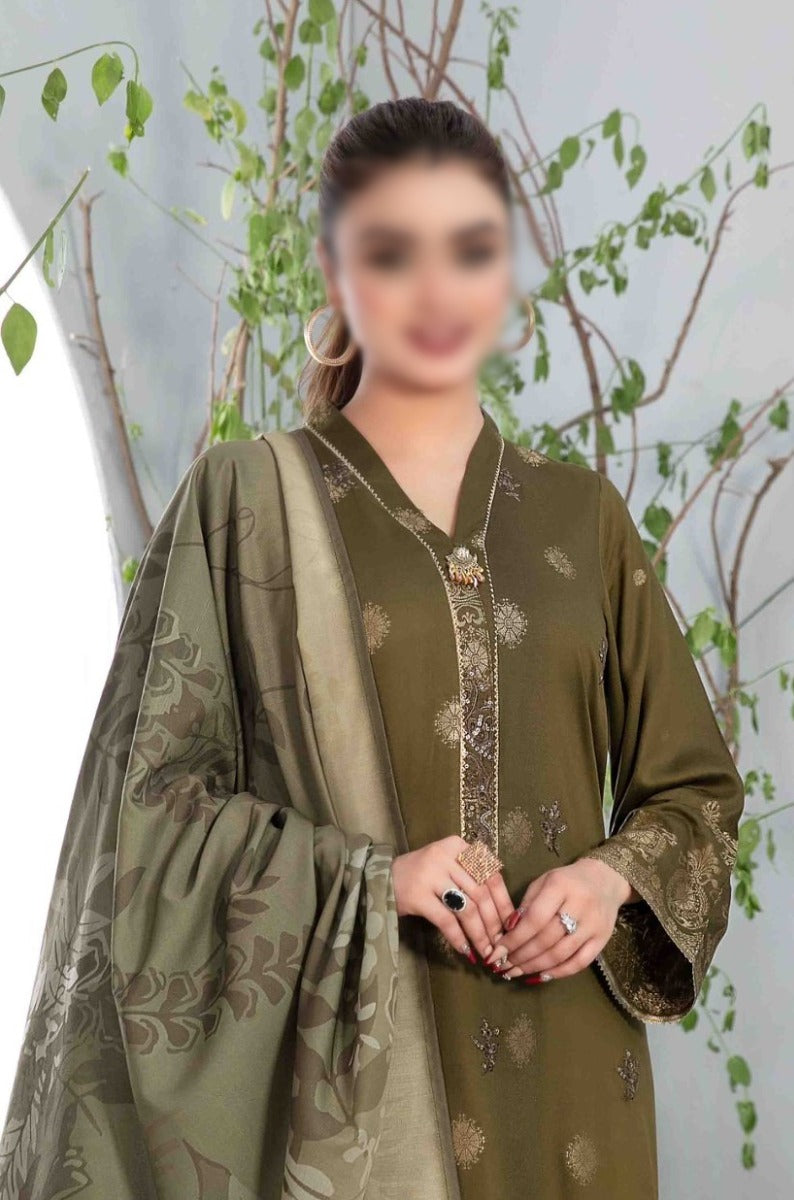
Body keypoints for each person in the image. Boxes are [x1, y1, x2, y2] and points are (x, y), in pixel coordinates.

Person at [0, 98, 744, 1200]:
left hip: (575, 1087)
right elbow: (146, 813)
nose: (436, 292)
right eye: (394, 253)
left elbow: (694, 797)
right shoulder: (246, 503)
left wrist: (607, 881)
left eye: (469, 250)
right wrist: (371, 879)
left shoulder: (581, 518)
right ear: (335, 270)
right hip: (358, 1084)